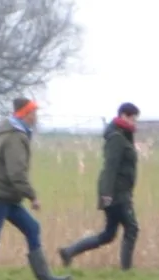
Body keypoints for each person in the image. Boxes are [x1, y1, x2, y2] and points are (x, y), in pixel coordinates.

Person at [0, 97, 69, 280]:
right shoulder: (16, 137)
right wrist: (32, 196)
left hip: (6, 194)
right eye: (34, 113)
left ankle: (46, 279)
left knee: (32, 227)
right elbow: (16, 173)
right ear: (25, 114)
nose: (36, 117)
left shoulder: (13, 132)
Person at [59, 101, 142, 271]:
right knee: (132, 228)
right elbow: (111, 167)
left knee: (108, 234)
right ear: (124, 116)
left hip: (119, 190)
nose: (135, 122)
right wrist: (106, 194)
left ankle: (68, 252)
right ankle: (126, 270)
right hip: (116, 192)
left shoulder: (123, 135)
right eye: (133, 119)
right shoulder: (116, 138)